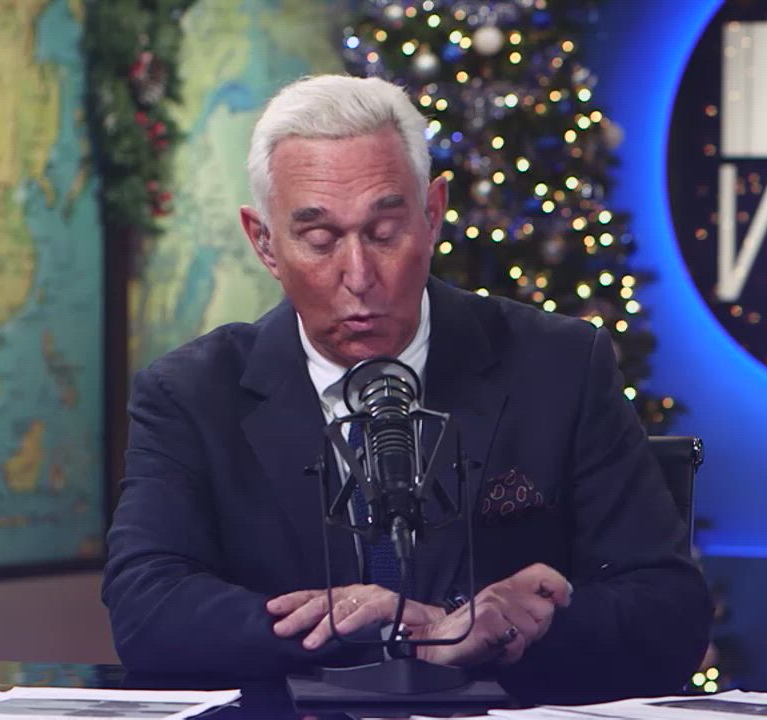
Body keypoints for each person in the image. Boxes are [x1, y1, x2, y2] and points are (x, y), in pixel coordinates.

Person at [102, 74, 711, 696]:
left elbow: (669, 609)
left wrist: (506, 627)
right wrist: (364, 626)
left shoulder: (559, 365)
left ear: (433, 213)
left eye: (384, 233)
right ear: (264, 242)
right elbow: (145, 605)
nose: (358, 275)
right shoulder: (191, 394)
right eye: (319, 240)